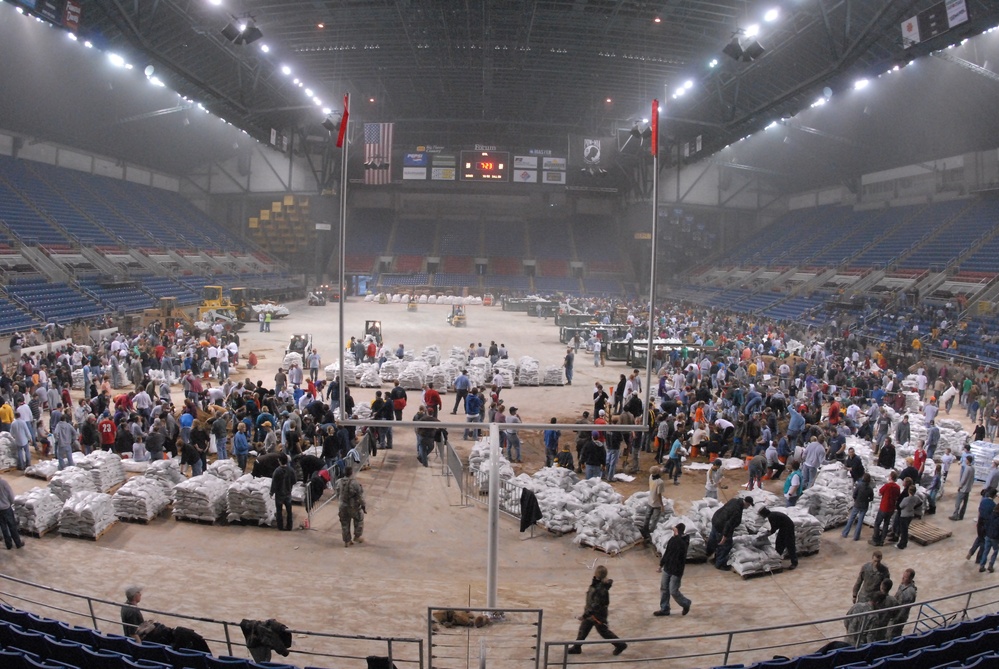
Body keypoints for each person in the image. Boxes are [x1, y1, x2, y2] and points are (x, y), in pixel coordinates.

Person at [566, 565, 627, 656]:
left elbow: (595, 605)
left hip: (597, 615)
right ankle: (577, 647)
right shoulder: (598, 584)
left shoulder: (600, 589)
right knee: (583, 629)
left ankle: (620, 645)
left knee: (604, 632)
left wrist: (585, 615)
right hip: (592, 613)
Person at [706, 497, 754, 570]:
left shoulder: (734, 500)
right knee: (725, 545)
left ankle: (711, 555)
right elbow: (729, 525)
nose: (748, 507)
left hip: (716, 520)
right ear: (747, 503)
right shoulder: (737, 512)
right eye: (749, 505)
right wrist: (724, 536)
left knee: (714, 539)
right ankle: (720, 564)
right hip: (722, 526)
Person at [654, 523, 692, 617]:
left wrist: (677, 534)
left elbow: (681, 547)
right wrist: (661, 565)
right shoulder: (673, 539)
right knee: (664, 589)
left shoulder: (684, 541)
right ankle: (664, 609)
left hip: (676, 570)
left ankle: (686, 603)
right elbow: (667, 553)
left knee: (673, 591)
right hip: (668, 568)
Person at [337, 466, 366, 547]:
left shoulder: (339, 482)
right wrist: (363, 505)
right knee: (359, 519)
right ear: (352, 473)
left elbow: (337, 493)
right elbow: (360, 496)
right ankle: (357, 536)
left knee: (345, 523)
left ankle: (347, 541)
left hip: (342, 505)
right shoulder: (355, 483)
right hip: (353, 506)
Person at [871, 471, 901, 546]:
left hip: (884, 507)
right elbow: (898, 496)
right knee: (886, 524)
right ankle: (882, 541)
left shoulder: (887, 486)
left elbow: (879, 493)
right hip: (891, 508)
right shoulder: (897, 487)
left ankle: (876, 539)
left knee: (877, 523)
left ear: (890, 477)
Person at [843, 473, 875, 541]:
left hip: (857, 504)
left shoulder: (859, 485)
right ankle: (856, 537)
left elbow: (854, 494)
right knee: (860, 521)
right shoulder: (870, 488)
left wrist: (856, 499)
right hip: (864, 506)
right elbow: (871, 498)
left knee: (851, 519)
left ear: (863, 478)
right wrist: (867, 500)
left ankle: (845, 533)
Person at [887, 569, 917, 638]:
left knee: (893, 634)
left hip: (899, 617)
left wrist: (896, 619)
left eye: (905, 577)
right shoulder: (903, 584)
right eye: (903, 576)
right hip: (894, 613)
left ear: (910, 579)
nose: (902, 578)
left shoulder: (910, 592)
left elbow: (904, 609)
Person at [270, 454, 295, 531]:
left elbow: (274, 483)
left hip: (279, 494)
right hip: (288, 493)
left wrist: (271, 492)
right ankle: (289, 526)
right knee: (289, 511)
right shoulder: (291, 470)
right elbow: (294, 480)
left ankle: (280, 526)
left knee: (279, 511)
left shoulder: (277, 471)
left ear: (279, 461)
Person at [642, 466, 666, 541]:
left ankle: (644, 530)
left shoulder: (651, 477)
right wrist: (662, 505)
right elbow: (659, 494)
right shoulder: (660, 482)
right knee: (655, 520)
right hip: (656, 503)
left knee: (647, 517)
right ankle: (650, 534)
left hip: (650, 500)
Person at [0, 477, 24, 550]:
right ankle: (18, 543)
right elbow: (10, 495)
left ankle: (8, 545)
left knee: (3, 527)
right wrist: (11, 503)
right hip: (6, 508)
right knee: (12, 526)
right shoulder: (3, 483)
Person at [895, 484, 922, 550]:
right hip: (910, 515)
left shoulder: (906, 499)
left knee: (903, 531)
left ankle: (901, 544)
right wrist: (914, 507)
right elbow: (920, 502)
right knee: (906, 529)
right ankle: (904, 542)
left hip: (904, 515)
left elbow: (900, 506)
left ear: (909, 491)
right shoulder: (916, 498)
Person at [950, 454, 976, 521]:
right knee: (965, 503)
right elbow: (973, 479)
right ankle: (961, 516)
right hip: (968, 489)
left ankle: (955, 515)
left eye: (966, 459)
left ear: (968, 460)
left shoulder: (967, 468)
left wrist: (960, 486)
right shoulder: (973, 468)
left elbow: (964, 479)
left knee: (958, 503)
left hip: (963, 489)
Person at [979, 503, 999, 573]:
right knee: (995, 550)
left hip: (988, 535)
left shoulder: (991, 515)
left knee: (986, 551)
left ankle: (982, 566)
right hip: (995, 537)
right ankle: (990, 565)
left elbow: (986, 524)